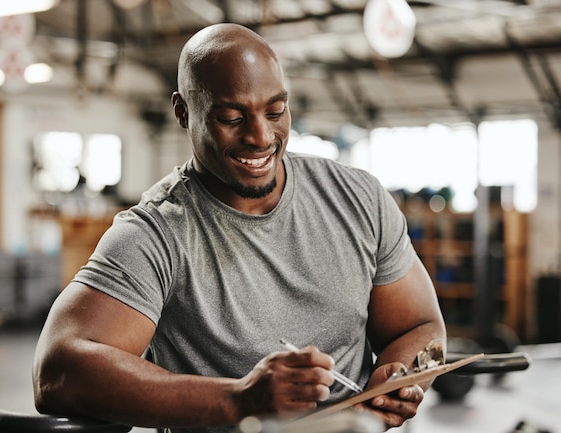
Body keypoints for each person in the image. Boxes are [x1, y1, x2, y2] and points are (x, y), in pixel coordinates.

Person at [32, 22, 446, 433]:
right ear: (183, 112)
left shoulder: (358, 198)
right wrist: (239, 400)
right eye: (231, 116)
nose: (261, 136)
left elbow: (420, 326)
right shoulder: (155, 233)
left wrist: (398, 383)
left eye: (275, 110)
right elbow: (57, 371)